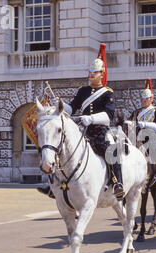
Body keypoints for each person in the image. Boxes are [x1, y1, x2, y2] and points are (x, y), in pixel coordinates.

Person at [37, 43, 125, 200]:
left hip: (100, 131)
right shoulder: (83, 90)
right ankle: (52, 184)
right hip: (82, 130)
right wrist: (60, 107)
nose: (91, 75)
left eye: (94, 72)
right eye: (90, 72)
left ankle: (118, 182)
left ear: (101, 73)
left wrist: (90, 118)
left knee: (111, 151)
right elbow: (73, 107)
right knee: (60, 150)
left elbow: (109, 115)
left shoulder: (107, 93)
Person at [125, 78, 156, 187]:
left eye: (147, 98)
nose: (144, 100)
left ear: (151, 99)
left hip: (152, 136)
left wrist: (144, 124)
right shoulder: (137, 112)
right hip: (138, 137)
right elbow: (130, 122)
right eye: (143, 98)